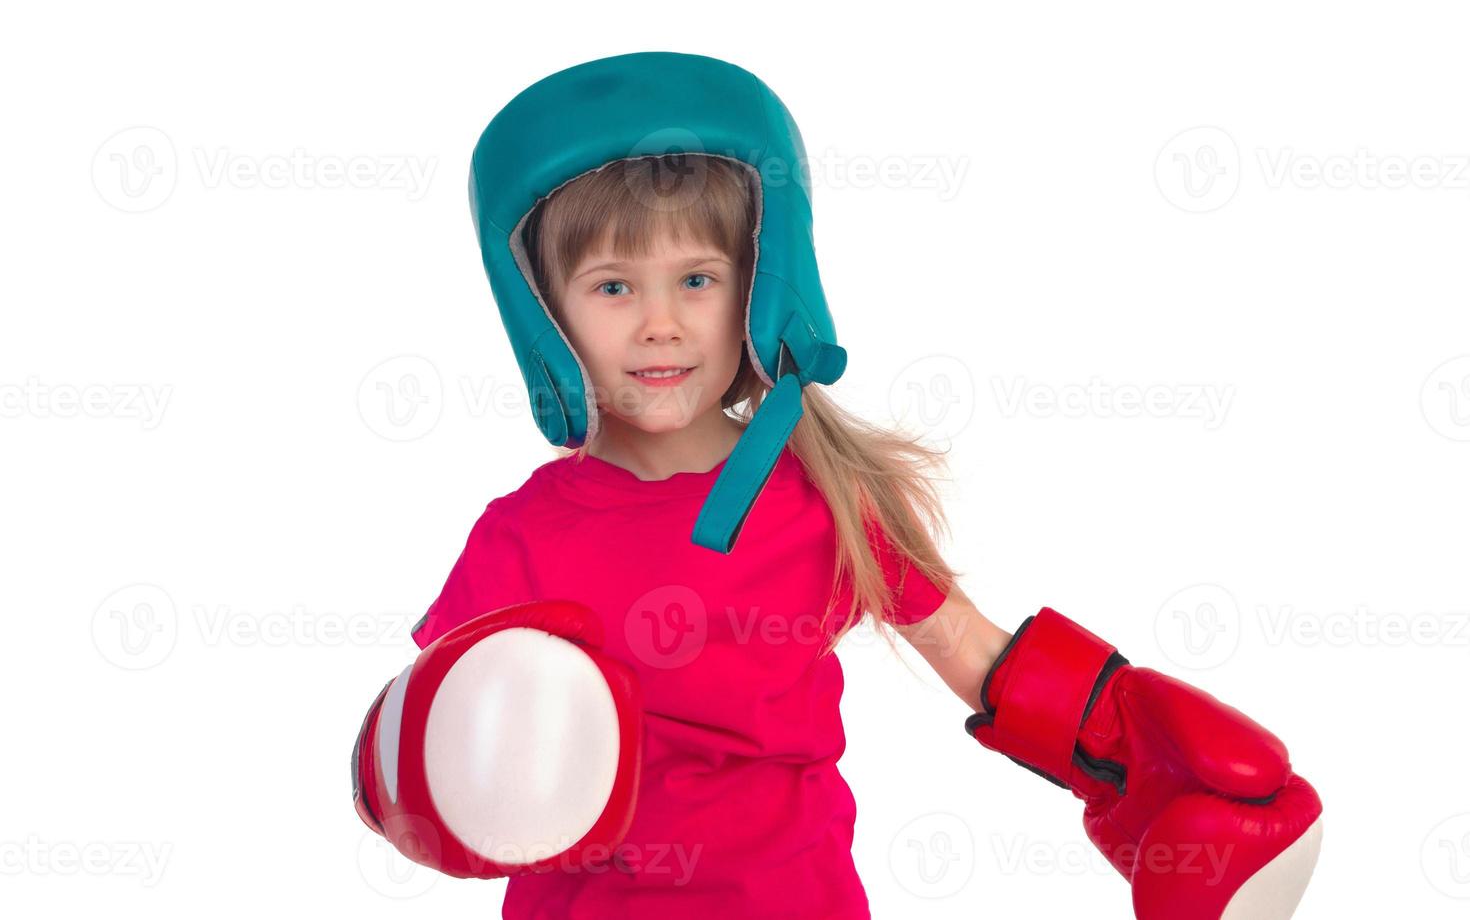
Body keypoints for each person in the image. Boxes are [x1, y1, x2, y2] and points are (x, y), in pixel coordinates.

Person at [355, 52, 1321, 920]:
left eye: (696, 280)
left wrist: (1128, 753)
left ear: (762, 284)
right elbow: (434, 737)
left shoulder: (823, 496)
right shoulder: (519, 539)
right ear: (544, 312)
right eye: (613, 287)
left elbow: (971, 653)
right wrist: (406, 785)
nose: (659, 325)